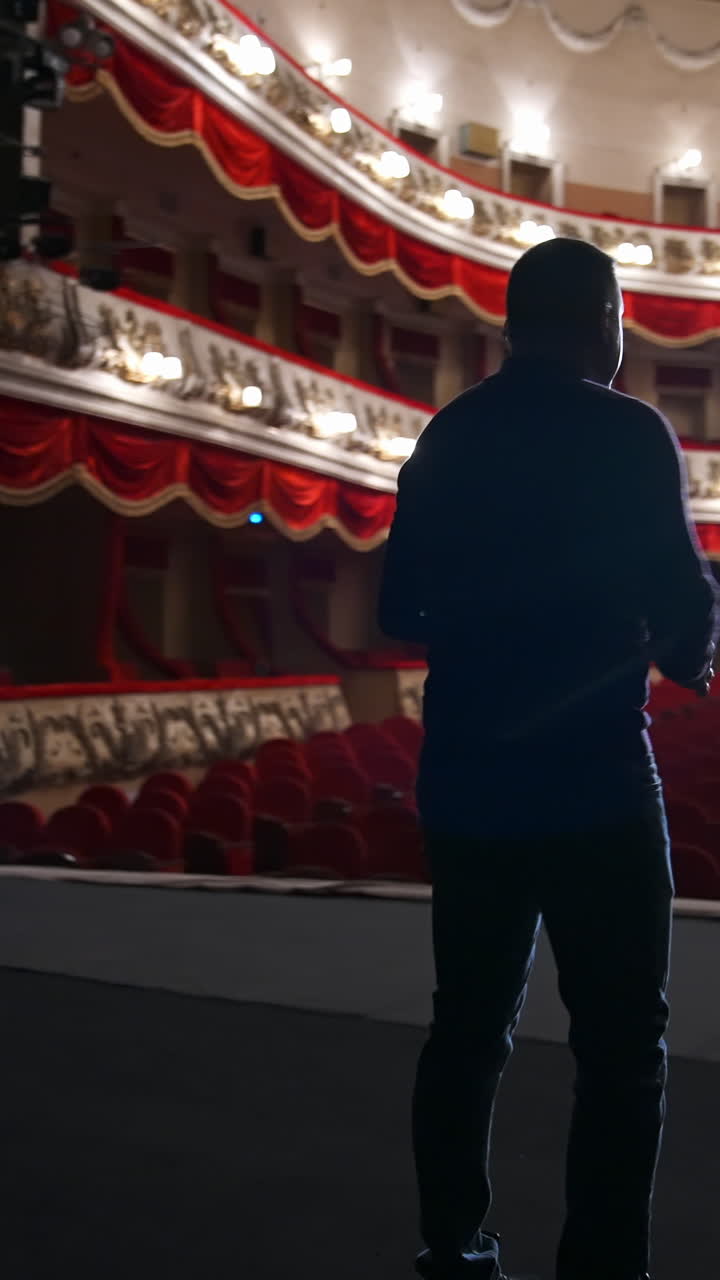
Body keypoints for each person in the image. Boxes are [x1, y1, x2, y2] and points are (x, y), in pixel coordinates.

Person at [377, 237, 719, 1280]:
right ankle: (602, 1265)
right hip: (594, 776)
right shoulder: (629, 431)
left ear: (512, 324)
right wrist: (678, 648)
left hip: (469, 773)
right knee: (621, 1047)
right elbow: (685, 613)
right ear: (605, 320)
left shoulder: (451, 432)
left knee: (467, 1024)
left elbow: (398, 609)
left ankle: (453, 1246)